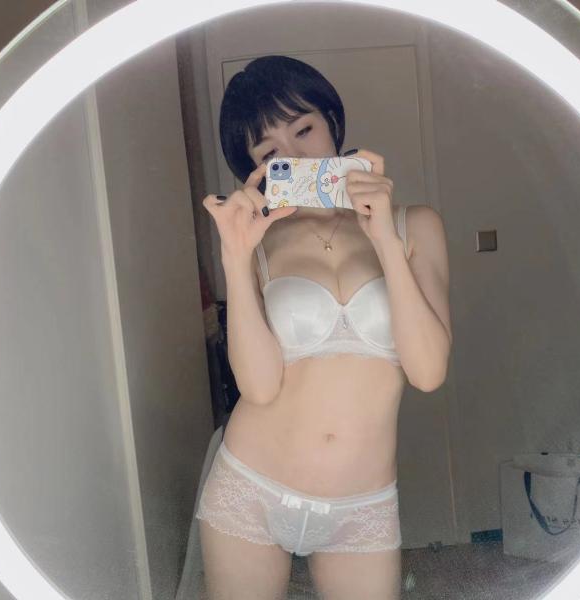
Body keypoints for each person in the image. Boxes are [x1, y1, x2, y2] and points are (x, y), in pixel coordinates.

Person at [198, 55, 451, 599]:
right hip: (251, 487)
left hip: (363, 507)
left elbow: (428, 371)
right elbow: (259, 386)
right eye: (270, 153)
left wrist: (383, 239)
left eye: (303, 129)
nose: (294, 155)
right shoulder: (258, 242)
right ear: (255, 170)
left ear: (333, 123)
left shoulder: (415, 225)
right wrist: (235, 259)